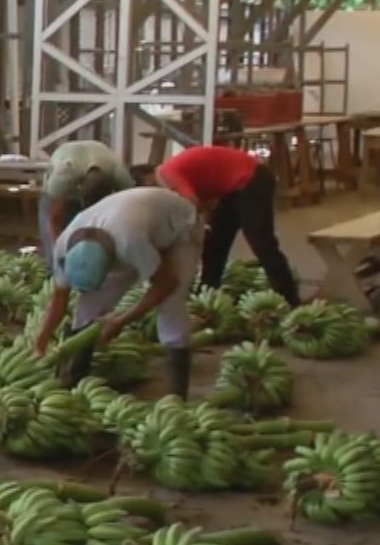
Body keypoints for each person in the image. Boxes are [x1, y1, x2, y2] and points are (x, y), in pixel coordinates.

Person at [30, 187, 202, 399]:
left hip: (179, 226)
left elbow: (166, 284)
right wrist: (40, 344)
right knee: (88, 309)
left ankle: (177, 396)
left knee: (170, 306)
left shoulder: (129, 242)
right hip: (138, 221)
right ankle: (74, 380)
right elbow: (59, 300)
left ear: (111, 263)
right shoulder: (63, 248)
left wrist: (121, 320)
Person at [154, 144, 301, 304]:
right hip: (232, 189)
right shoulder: (175, 177)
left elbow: (192, 203)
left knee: (262, 243)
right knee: (215, 243)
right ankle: (206, 295)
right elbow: (206, 205)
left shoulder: (167, 173)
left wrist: (190, 233)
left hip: (252, 179)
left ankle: (289, 298)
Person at [39, 140, 135, 251]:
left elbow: (130, 206)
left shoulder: (117, 171)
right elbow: (54, 220)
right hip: (67, 159)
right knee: (54, 244)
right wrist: (60, 251)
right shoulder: (64, 173)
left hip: (98, 154)